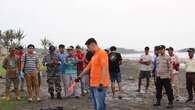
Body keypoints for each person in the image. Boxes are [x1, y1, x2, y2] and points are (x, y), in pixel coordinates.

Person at [76, 38, 110, 110]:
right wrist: (79, 77)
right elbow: (87, 68)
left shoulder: (102, 53)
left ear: (93, 45)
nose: (88, 49)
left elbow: (104, 68)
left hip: (100, 85)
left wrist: (101, 82)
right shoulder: (94, 56)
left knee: (100, 106)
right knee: (95, 105)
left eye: (88, 47)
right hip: (93, 84)